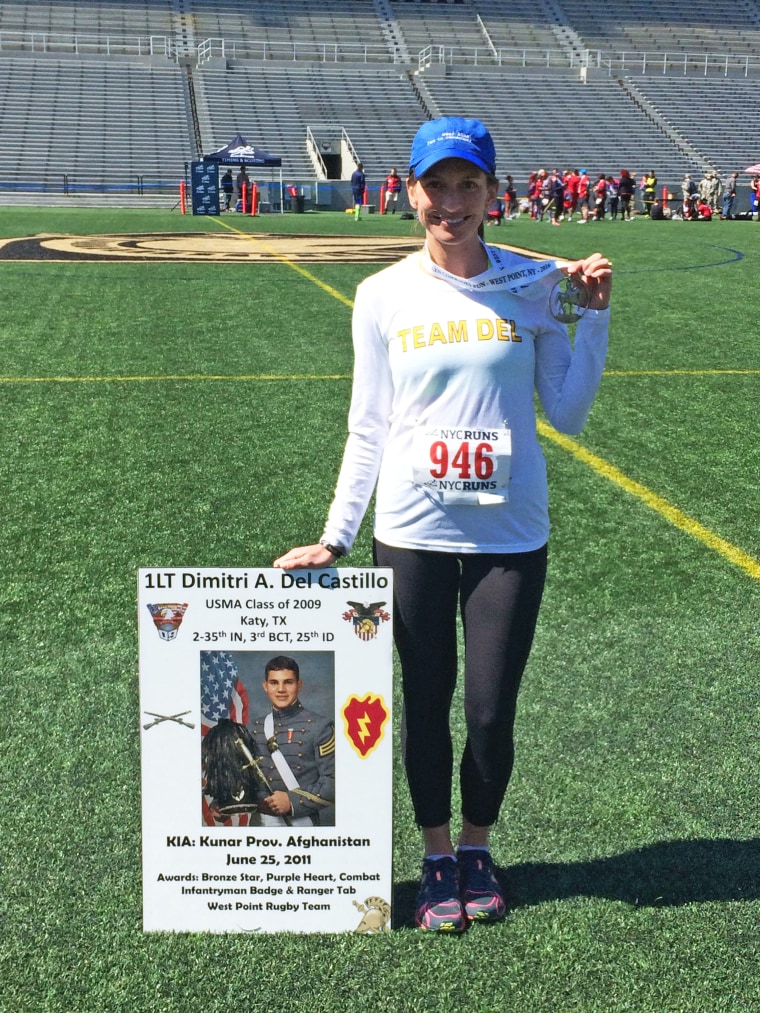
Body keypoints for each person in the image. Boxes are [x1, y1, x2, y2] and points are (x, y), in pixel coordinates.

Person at [274, 116, 612, 934]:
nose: (451, 203)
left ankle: (475, 847)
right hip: (412, 530)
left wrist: (591, 316)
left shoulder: (535, 283)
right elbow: (368, 425)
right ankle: (434, 857)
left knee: (491, 708)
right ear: (411, 191)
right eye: (436, 186)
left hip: (510, 536)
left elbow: (565, 415)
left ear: (495, 193)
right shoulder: (382, 294)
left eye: (469, 185)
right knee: (424, 702)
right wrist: (337, 534)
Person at [247, 655, 335, 826]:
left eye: (288, 682)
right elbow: (245, 779)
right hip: (259, 825)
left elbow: (334, 783)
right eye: (274, 683)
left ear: (299, 685)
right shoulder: (254, 727)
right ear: (265, 686)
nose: (281, 689)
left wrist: (292, 801)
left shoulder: (320, 727)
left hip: (302, 824)